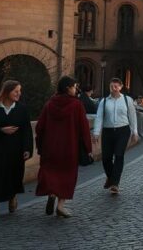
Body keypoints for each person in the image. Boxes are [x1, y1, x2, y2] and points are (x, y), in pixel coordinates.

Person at [35, 76, 91, 218]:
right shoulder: (76, 105)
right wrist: (88, 147)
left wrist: (40, 145)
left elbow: (40, 127)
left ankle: (52, 193)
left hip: (50, 146)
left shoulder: (49, 104)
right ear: (68, 88)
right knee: (67, 176)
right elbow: (84, 128)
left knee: (51, 172)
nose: (76, 90)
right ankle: (60, 206)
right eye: (74, 87)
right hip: (69, 147)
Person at [0, 80, 33, 222]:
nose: (19, 94)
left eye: (20, 91)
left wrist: (27, 149)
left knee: (13, 176)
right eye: (16, 91)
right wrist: (1, 130)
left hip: (14, 151)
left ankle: (12, 196)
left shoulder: (22, 109)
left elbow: (27, 131)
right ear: (7, 92)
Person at [92, 77, 140, 194]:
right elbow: (99, 117)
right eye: (112, 86)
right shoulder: (104, 101)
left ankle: (115, 184)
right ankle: (110, 177)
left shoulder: (127, 100)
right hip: (107, 131)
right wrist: (96, 133)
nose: (114, 88)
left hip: (123, 131)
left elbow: (132, 116)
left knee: (119, 155)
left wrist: (134, 132)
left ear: (121, 87)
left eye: (116, 86)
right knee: (106, 158)